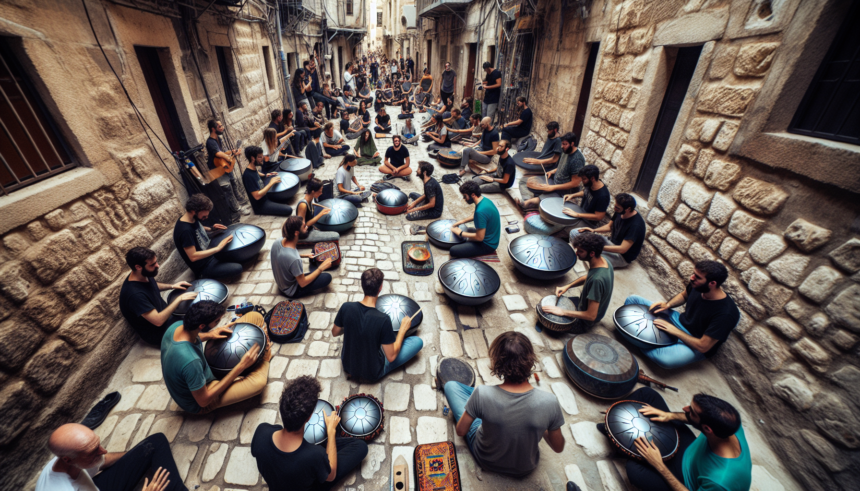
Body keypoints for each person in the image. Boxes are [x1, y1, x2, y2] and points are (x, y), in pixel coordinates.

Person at [443, 331, 565, 478]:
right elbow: (558, 447)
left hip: (485, 459)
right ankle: (476, 407)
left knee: (451, 386)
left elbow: (461, 431)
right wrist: (541, 422)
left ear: (497, 362)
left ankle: (473, 405)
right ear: (531, 361)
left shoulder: (482, 394)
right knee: (481, 405)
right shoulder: (549, 402)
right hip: (525, 468)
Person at [600, 388, 751, 491]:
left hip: (686, 481)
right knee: (648, 395)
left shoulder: (720, 480)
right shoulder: (731, 425)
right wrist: (669, 415)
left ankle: (624, 446)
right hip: (690, 452)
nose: (685, 409)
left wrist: (659, 465)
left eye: (691, 411)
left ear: (707, 429)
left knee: (635, 470)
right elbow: (693, 420)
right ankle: (614, 430)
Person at [252, 376, 368, 491]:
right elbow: (331, 475)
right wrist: (331, 431)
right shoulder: (315, 455)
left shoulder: (262, 432)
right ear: (309, 417)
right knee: (360, 446)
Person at [623, 261, 740, 369]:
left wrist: (673, 331)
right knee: (633, 300)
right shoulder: (698, 286)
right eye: (693, 274)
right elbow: (684, 295)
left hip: (696, 343)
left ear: (712, 283)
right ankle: (646, 341)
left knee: (664, 360)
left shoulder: (726, 314)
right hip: (679, 321)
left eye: (697, 277)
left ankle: (642, 341)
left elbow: (703, 346)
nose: (692, 278)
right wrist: (667, 305)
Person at [161, 300, 272, 413]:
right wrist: (241, 366)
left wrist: (210, 334)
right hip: (202, 398)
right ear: (202, 325)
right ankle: (265, 357)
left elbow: (194, 336)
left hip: (202, 369)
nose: (218, 324)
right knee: (259, 383)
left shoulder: (176, 326)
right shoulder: (191, 362)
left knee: (255, 316)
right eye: (216, 321)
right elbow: (203, 401)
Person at [332, 268, 424, 381]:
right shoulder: (383, 320)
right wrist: (402, 331)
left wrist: (351, 323)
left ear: (362, 285)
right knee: (417, 342)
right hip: (373, 373)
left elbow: (335, 332)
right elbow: (391, 357)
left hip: (348, 366)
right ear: (380, 288)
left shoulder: (346, 307)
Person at [36, 423, 185, 491]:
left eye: (98, 444)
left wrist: (137, 457)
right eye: (94, 451)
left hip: (97, 487)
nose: (104, 451)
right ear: (68, 459)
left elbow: (104, 460)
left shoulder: (70, 459)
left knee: (154, 443)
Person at [120, 247, 197, 346]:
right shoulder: (135, 295)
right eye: (152, 264)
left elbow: (152, 285)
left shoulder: (142, 275)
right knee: (196, 333)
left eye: (156, 262)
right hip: (159, 332)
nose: (157, 265)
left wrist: (172, 286)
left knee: (201, 315)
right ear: (138, 267)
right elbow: (158, 321)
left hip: (167, 317)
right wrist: (179, 299)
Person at [543, 232, 615, 333]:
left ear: (592, 253)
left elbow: (591, 315)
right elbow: (589, 277)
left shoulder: (597, 280)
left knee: (548, 321)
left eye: (580, 251)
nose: (577, 253)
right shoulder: (605, 262)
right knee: (549, 305)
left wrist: (563, 312)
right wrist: (567, 286)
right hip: (582, 305)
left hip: (584, 322)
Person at [173, 194, 242, 279]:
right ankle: (206, 276)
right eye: (204, 216)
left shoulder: (189, 217)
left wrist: (211, 228)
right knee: (237, 268)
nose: (206, 217)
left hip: (210, 253)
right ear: (194, 211)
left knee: (237, 254)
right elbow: (193, 256)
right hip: (204, 266)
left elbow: (196, 228)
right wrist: (218, 248)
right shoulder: (184, 231)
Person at [569, 193, 645, 269]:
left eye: (617, 207)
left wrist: (597, 247)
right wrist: (593, 230)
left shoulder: (636, 226)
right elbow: (609, 227)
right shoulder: (619, 211)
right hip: (609, 242)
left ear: (628, 209)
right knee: (575, 233)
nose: (615, 209)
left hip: (621, 256)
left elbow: (622, 249)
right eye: (615, 206)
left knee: (593, 261)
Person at [517, 130, 583, 211]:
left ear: (572, 144)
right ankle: (529, 202)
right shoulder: (565, 150)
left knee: (541, 198)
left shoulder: (577, 160)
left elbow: (575, 183)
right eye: (562, 143)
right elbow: (563, 166)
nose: (562, 146)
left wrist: (553, 187)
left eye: (565, 144)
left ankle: (528, 204)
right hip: (554, 182)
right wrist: (553, 171)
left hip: (563, 191)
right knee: (524, 182)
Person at [272, 216, 333, 298]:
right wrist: (321, 268)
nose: (307, 227)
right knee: (327, 277)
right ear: (296, 233)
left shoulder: (277, 241)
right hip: (291, 290)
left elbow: (285, 257)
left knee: (313, 265)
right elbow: (302, 283)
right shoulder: (295, 259)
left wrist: (304, 255)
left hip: (281, 282)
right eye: (304, 226)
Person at [449, 180, 501, 258]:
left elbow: (480, 238)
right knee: (466, 231)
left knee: (453, 250)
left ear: (473, 195)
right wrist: (461, 221)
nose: (464, 199)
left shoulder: (480, 211)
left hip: (488, 245)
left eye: (465, 196)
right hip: (491, 235)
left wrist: (461, 233)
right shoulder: (483, 199)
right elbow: (475, 215)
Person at [206, 119, 246, 219]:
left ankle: (237, 205)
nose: (222, 127)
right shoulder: (210, 142)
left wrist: (231, 152)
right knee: (227, 191)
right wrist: (228, 157)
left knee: (232, 184)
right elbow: (217, 153)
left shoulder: (218, 139)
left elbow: (222, 152)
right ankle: (235, 211)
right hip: (217, 169)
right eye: (220, 126)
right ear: (213, 129)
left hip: (223, 167)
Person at [242, 146, 293, 216]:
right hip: (261, 205)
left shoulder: (254, 169)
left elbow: (259, 174)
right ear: (252, 158)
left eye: (262, 156)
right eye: (260, 157)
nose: (262, 158)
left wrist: (268, 174)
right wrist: (271, 183)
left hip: (266, 196)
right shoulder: (247, 175)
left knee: (287, 198)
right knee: (288, 210)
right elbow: (257, 196)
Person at [561, 164, 610, 229]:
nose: (582, 181)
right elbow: (585, 192)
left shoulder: (603, 196)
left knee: (562, 227)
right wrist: (572, 195)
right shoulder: (592, 184)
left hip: (587, 223)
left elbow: (599, 216)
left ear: (592, 178)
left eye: (584, 179)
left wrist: (577, 215)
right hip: (581, 214)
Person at [294, 178, 339, 244]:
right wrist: (321, 213)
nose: (321, 193)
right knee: (336, 235)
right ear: (313, 191)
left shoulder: (309, 199)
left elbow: (312, 204)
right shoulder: (303, 205)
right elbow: (303, 226)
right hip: (305, 234)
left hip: (311, 229)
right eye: (320, 191)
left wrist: (323, 206)